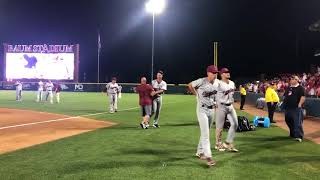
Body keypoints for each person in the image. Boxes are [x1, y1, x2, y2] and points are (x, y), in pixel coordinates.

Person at [188, 65, 219, 167]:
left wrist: (215, 102)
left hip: (211, 110)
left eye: (216, 73)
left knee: (206, 132)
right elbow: (190, 85)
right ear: (208, 73)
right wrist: (196, 94)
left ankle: (200, 152)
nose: (215, 74)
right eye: (213, 73)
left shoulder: (217, 83)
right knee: (206, 135)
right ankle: (208, 157)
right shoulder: (201, 81)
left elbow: (215, 96)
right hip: (202, 110)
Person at [215, 68, 239, 152]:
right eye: (225, 72)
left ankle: (228, 142)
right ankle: (218, 144)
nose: (228, 73)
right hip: (221, 106)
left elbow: (232, 93)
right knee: (219, 127)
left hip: (230, 106)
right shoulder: (218, 83)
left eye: (228, 72)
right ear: (221, 74)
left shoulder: (232, 83)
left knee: (235, 124)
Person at [283, 75, 306, 142]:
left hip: (296, 108)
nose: (291, 80)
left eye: (292, 79)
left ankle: (299, 136)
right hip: (288, 108)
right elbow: (285, 96)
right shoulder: (288, 87)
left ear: (296, 80)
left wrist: (299, 104)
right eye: (291, 79)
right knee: (288, 120)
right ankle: (293, 133)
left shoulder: (300, 88)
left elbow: (303, 97)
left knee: (297, 122)